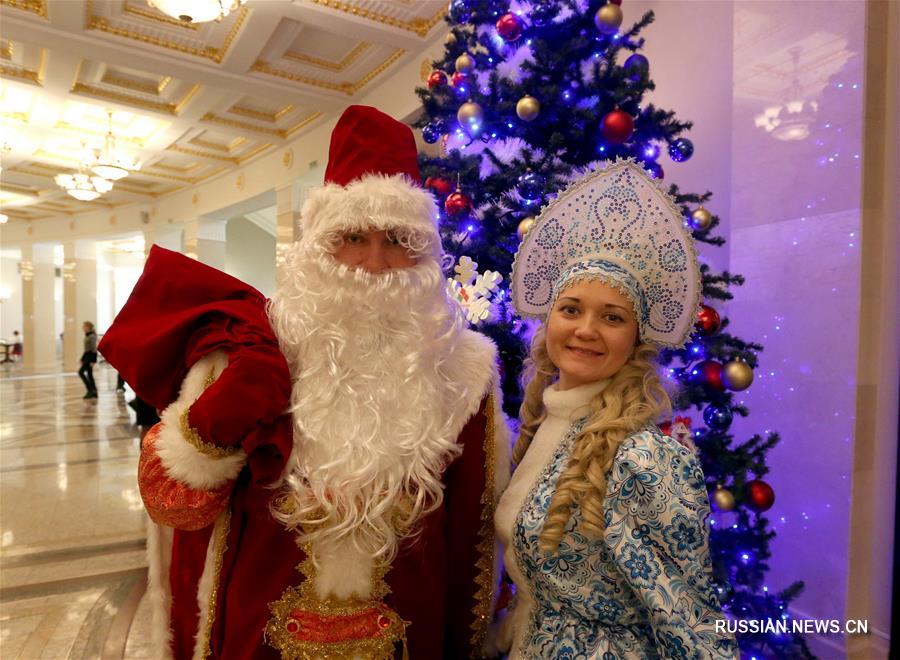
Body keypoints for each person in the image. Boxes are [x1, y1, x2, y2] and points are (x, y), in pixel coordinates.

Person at [99, 105, 509, 659]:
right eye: (353, 237)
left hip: (410, 634)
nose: (374, 262)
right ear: (318, 246)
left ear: (423, 255)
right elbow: (177, 506)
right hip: (254, 630)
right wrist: (215, 426)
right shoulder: (250, 350)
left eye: (396, 240)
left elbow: (473, 540)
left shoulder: (466, 371)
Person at [493, 160, 738, 658]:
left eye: (612, 317)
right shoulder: (539, 423)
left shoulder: (645, 459)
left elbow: (690, 625)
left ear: (636, 338)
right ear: (549, 321)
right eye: (571, 309)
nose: (585, 329)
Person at [78, 321, 98, 399]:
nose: (83, 328)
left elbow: (93, 349)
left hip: (90, 357)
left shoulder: (92, 336)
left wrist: (93, 361)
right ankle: (94, 392)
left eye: (84, 326)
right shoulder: (87, 335)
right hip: (87, 356)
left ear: (88, 327)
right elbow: (86, 349)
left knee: (80, 372)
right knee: (89, 375)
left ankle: (90, 391)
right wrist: (82, 358)